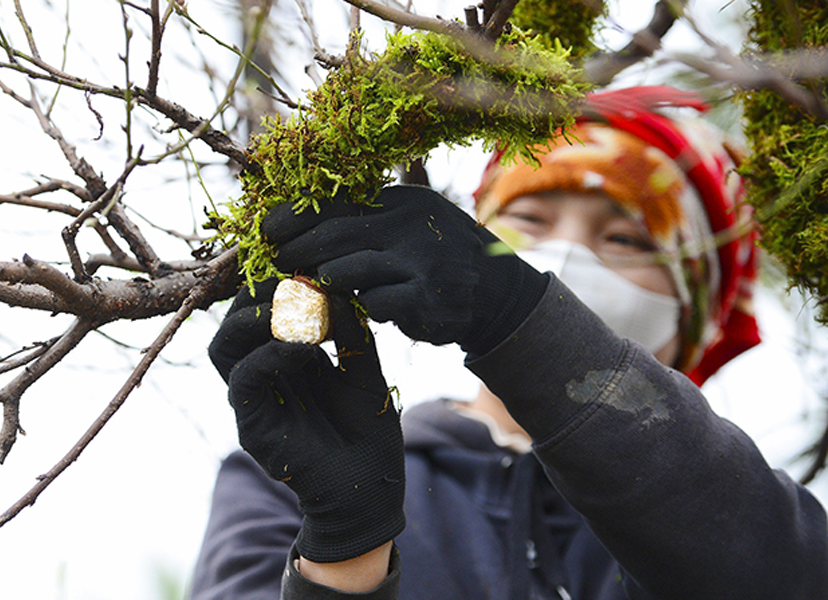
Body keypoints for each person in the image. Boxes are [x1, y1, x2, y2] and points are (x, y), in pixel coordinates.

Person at [189, 87, 828, 599]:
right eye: (529, 217)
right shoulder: (285, 478)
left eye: (627, 239)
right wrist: (345, 550)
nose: (570, 253)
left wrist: (520, 317)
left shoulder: (734, 509)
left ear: (694, 312)